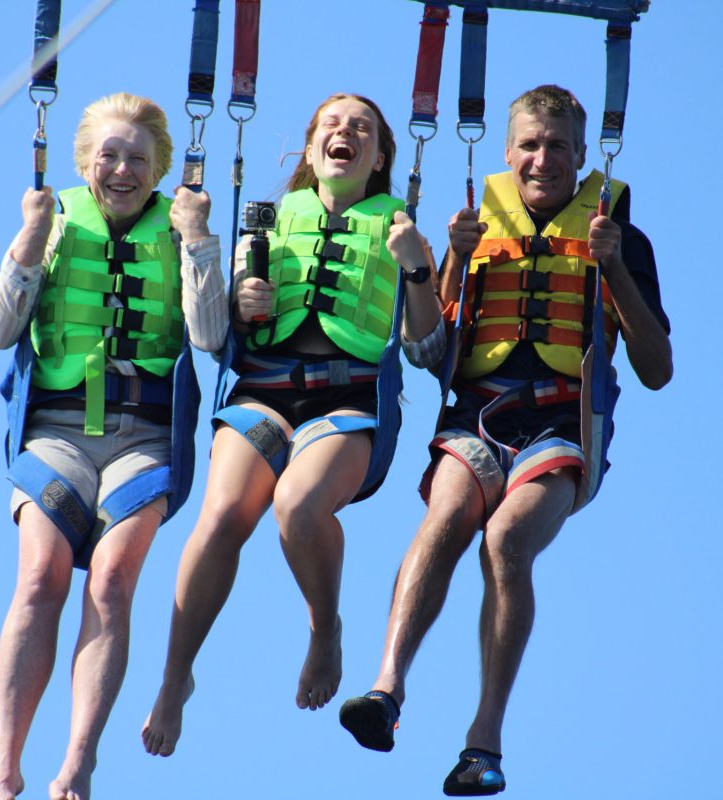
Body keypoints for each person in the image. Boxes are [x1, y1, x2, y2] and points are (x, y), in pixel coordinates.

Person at [339, 85, 672, 796]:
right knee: (446, 518)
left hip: (561, 425)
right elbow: (430, 352)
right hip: (477, 414)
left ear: (582, 155)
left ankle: (483, 741)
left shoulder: (618, 234)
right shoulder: (476, 225)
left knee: (507, 541)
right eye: (530, 145)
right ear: (507, 150)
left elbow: (657, 369)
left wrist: (613, 267)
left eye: (558, 147)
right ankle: (386, 690)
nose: (542, 159)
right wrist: (449, 264)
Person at [141, 93, 444, 757]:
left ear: (379, 158)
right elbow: (213, 338)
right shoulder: (270, 224)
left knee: (298, 510)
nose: (345, 132)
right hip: (263, 392)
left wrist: (419, 268)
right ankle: (174, 677)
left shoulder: (402, 232)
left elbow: (428, 350)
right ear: (311, 149)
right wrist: (241, 302)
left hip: (347, 402)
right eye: (332, 124)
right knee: (222, 516)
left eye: (361, 127)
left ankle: (324, 629)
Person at [0, 92, 227, 800]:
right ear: (85, 160)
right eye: (109, 156)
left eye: (137, 160)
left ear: (159, 169)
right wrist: (29, 240)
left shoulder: (181, 229)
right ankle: (2, 770)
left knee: (113, 581)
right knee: (40, 578)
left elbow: (211, 337)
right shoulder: (53, 222)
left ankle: (78, 762)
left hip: (143, 441)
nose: (122, 171)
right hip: (57, 433)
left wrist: (200, 241)